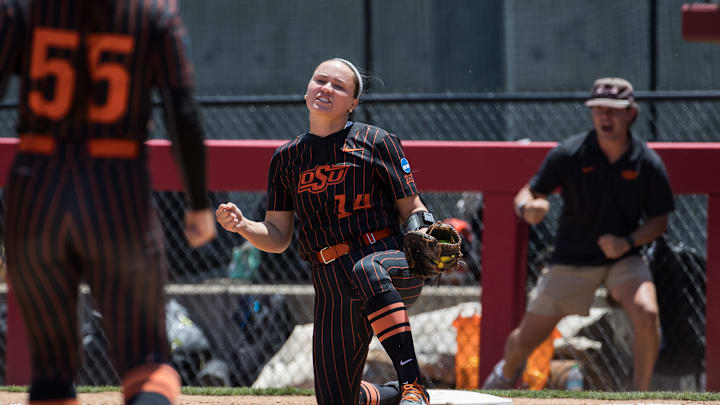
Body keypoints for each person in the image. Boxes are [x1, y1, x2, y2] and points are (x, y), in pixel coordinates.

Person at [0, 1, 216, 404]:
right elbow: (181, 112)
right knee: (146, 360)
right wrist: (198, 202)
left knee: (50, 367)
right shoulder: (153, 13)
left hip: (37, 183)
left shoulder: (21, 8)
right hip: (115, 184)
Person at [217, 58, 434, 405]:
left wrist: (425, 230)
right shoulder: (287, 158)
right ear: (307, 91)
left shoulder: (377, 141)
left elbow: (412, 207)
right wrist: (243, 226)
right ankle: (391, 396)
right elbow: (277, 234)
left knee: (367, 269)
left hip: (388, 264)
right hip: (331, 282)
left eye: (339, 86)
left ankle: (413, 384)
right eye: (320, 80)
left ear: (354, 103)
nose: (326, 89)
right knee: (336, 400)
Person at [482, 77, 674, 391]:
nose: (605, 117)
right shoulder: (569, 153)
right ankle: (501, 378)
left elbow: (659, 221)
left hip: (623, 257)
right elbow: (526, 193)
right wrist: (527, 208)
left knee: (647, 313)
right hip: (571, 259)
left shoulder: (647, 162)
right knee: (524, 340)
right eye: (598, 109)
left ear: (631, 113)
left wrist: (626, 242)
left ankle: (640, 396)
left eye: (613, 110)